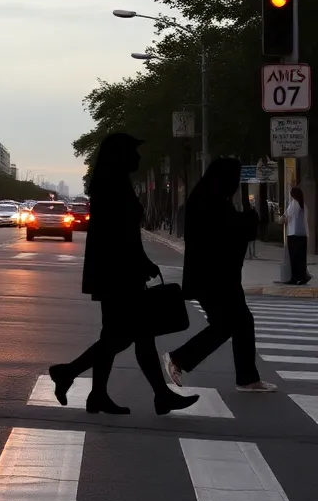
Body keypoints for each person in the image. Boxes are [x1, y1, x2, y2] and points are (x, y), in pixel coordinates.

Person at [48, 132, 199, 415]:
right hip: (118, 274)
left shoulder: (114, 182)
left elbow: (126, 234)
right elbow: (120, 235)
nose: (138, 158)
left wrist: (143, 262)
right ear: (120, 155)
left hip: (118, 272)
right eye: (133, 152)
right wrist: (142, 262)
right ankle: (69, 373)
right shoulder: (112, 184)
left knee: (133, 335)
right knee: (125, 336)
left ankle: (100, 394)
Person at [163, 158, 277, 392]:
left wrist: (244, 221)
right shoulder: (210, 202)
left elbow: (227, 229)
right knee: (231, 324)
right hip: (214, 280)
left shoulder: (207, 198)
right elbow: (224, 232)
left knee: (236, 324)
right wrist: (249, 220)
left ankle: (246, 379)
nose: (234, 185)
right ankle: (180, 359)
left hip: (215, 279)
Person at [285, 187, 310, 285]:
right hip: (303, 234)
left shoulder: (293, 204)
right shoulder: (303, 204)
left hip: (293, 234)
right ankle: (303, 277)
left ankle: (294, 278)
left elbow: (287, 217)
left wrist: (280, 219)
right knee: (302, 258)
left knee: (294, 258)